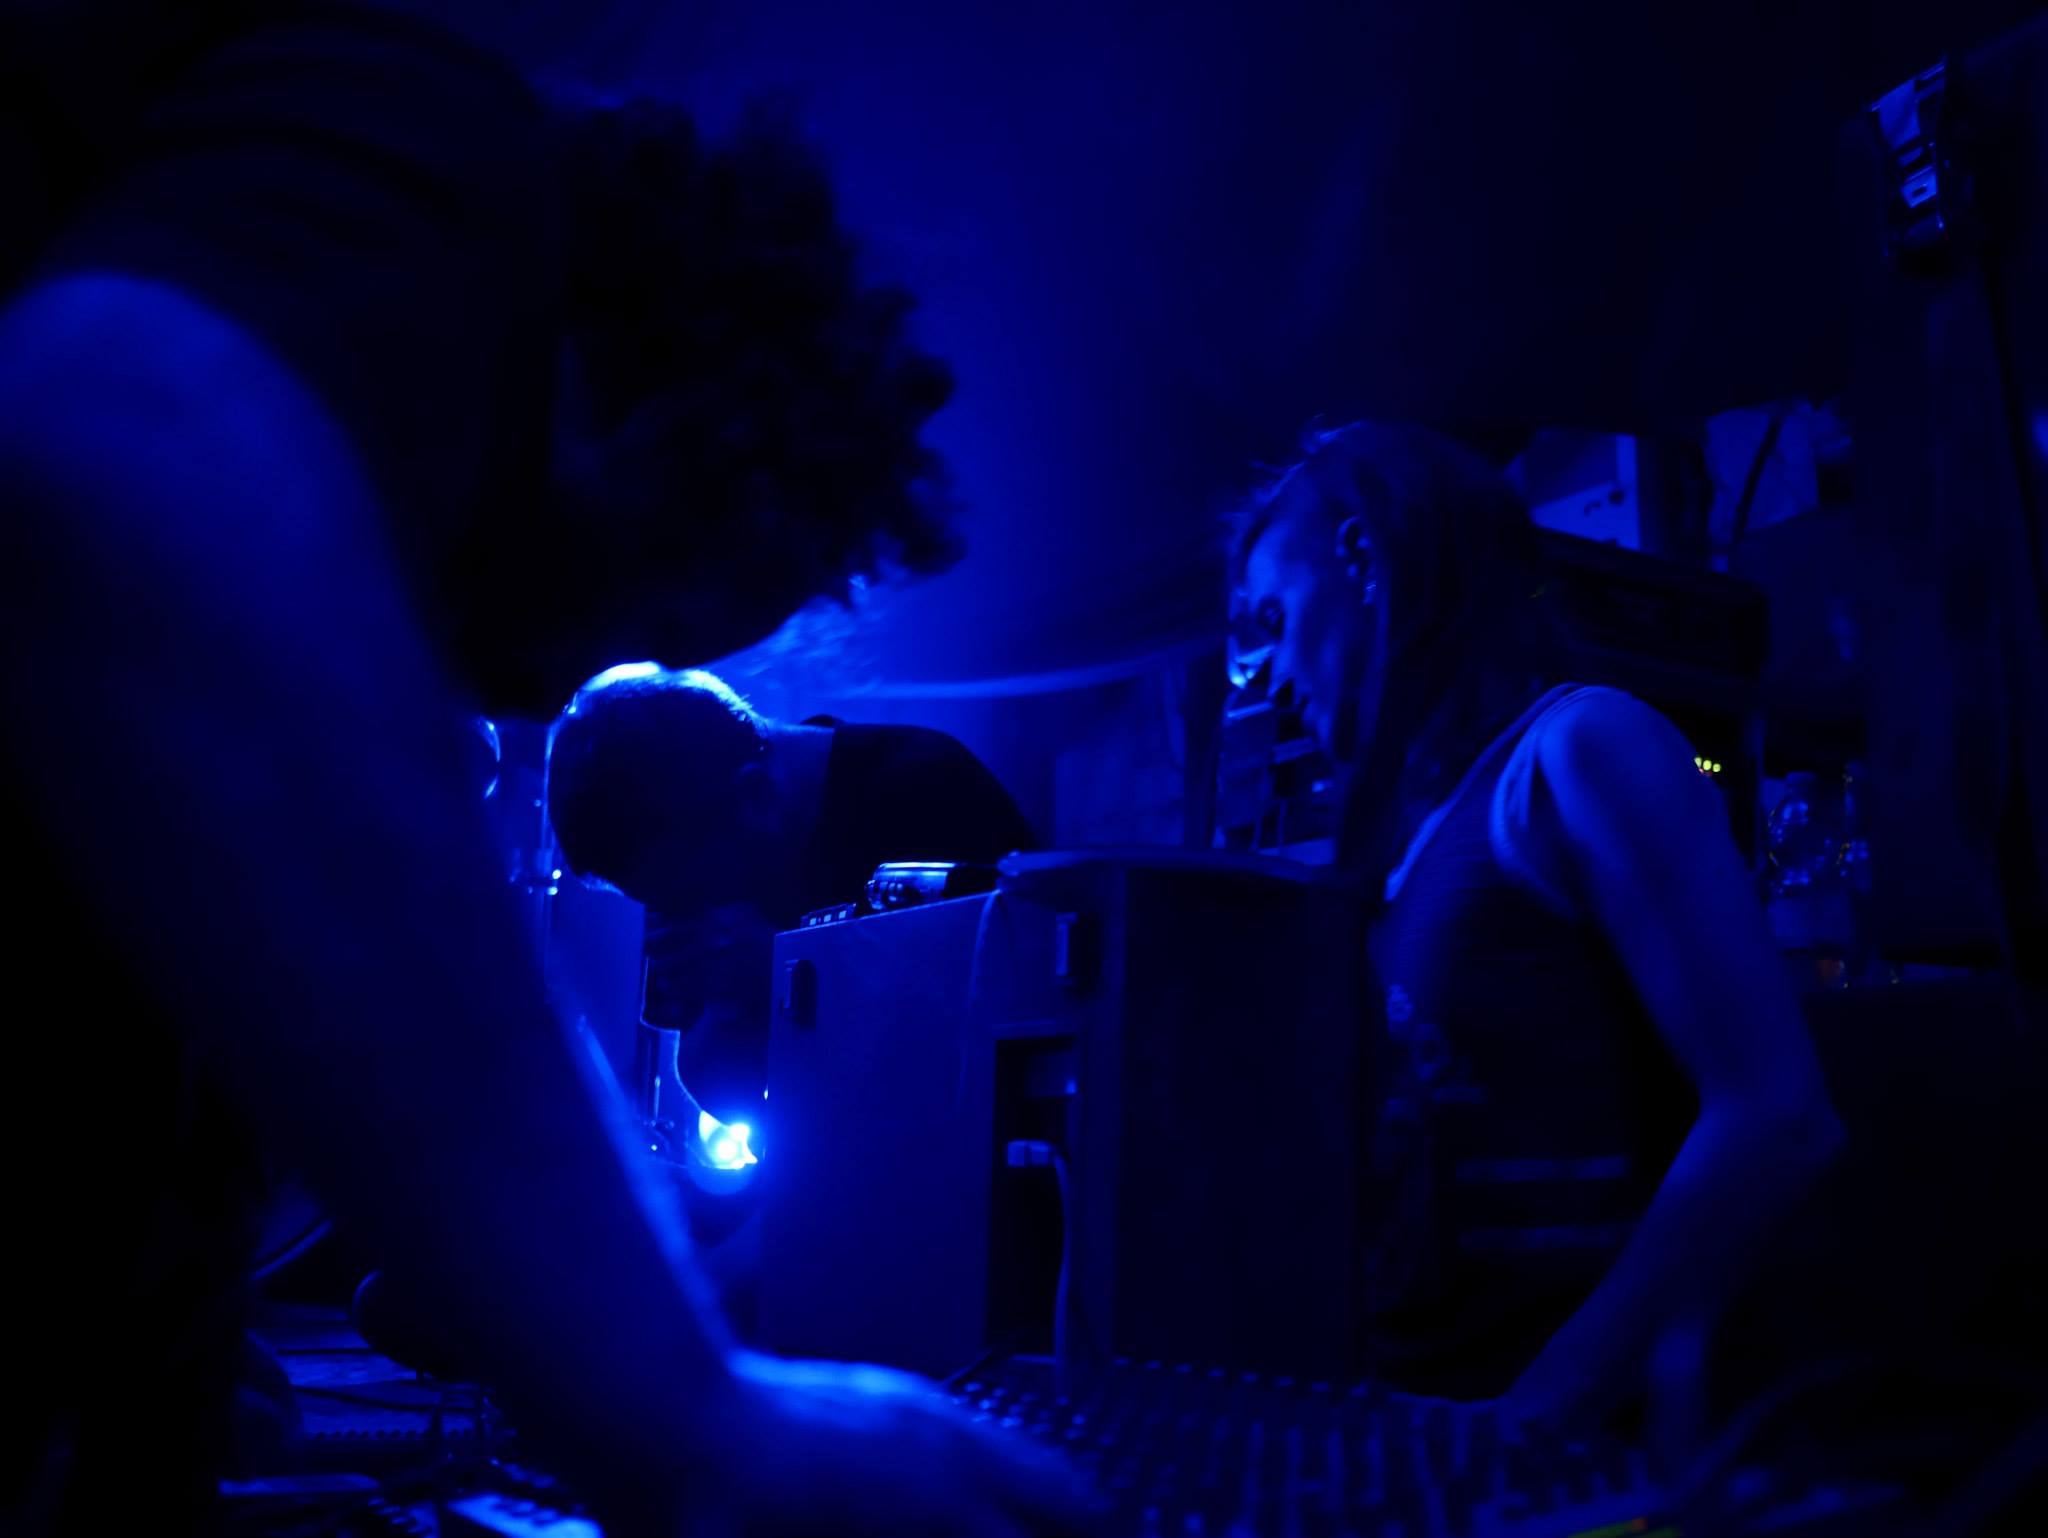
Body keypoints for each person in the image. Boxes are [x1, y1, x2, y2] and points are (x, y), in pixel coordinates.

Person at [0, 6, 1084, 1534]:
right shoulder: (435, 159)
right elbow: (121, 441)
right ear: (648, 417)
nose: (568, 680)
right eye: (650, 618)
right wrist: (688, 1423)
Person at [1227, 420, 1846, 1427]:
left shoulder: (1581, 747)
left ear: (1361, 556)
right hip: (1432, 1436)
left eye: (1273, 615)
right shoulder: (1413, 844)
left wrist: (1530, 1415)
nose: (1267, 670)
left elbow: (1779, 1118)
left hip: (1577, 1457)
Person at [547, 664, 1038, 1118]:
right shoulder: (689, 836)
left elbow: (998, 1039)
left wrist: (788, 970)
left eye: (686, 892)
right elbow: (718, 1086)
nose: (678, 911)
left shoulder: (930, 792)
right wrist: (719, 1009)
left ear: (757, 796)